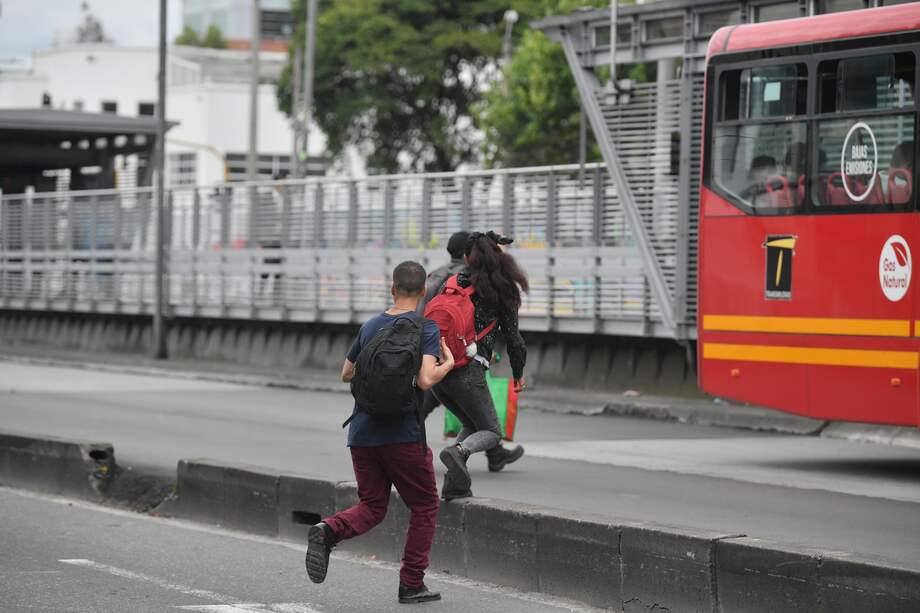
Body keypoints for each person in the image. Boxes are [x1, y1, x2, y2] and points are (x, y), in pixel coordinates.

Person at [305, 261, 455, 604]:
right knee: (426, 505)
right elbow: (427, 380)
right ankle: (411, 583)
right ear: (421, 294)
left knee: (373, 505)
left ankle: (328, 529)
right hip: (403, 436)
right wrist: (447, 363)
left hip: (362, 433)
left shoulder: (371, 326)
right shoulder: (426, 328)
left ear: (392, 289)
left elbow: (346, 374)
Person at [432, 231, 528, 500]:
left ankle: (454, 485)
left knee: (472, 424)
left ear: (466, 257)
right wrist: (518, 374)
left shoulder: (452, 282)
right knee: (492, 432)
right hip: (468, 370)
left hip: (441, 370)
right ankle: (459, 452)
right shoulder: (501, 288)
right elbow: (514, 340)